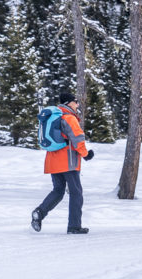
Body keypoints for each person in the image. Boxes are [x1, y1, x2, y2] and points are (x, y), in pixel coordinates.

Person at [31, 92, 94, 234]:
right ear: (68, 103)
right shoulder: (69, 118)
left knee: (58, 191)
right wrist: (86, 154)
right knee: (76, 193)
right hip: (69, 162)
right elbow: (78, 139)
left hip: (53, 162)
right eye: (75, 101)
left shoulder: (54, 117)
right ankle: (74, 226)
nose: (77, 104)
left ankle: (39, 213)